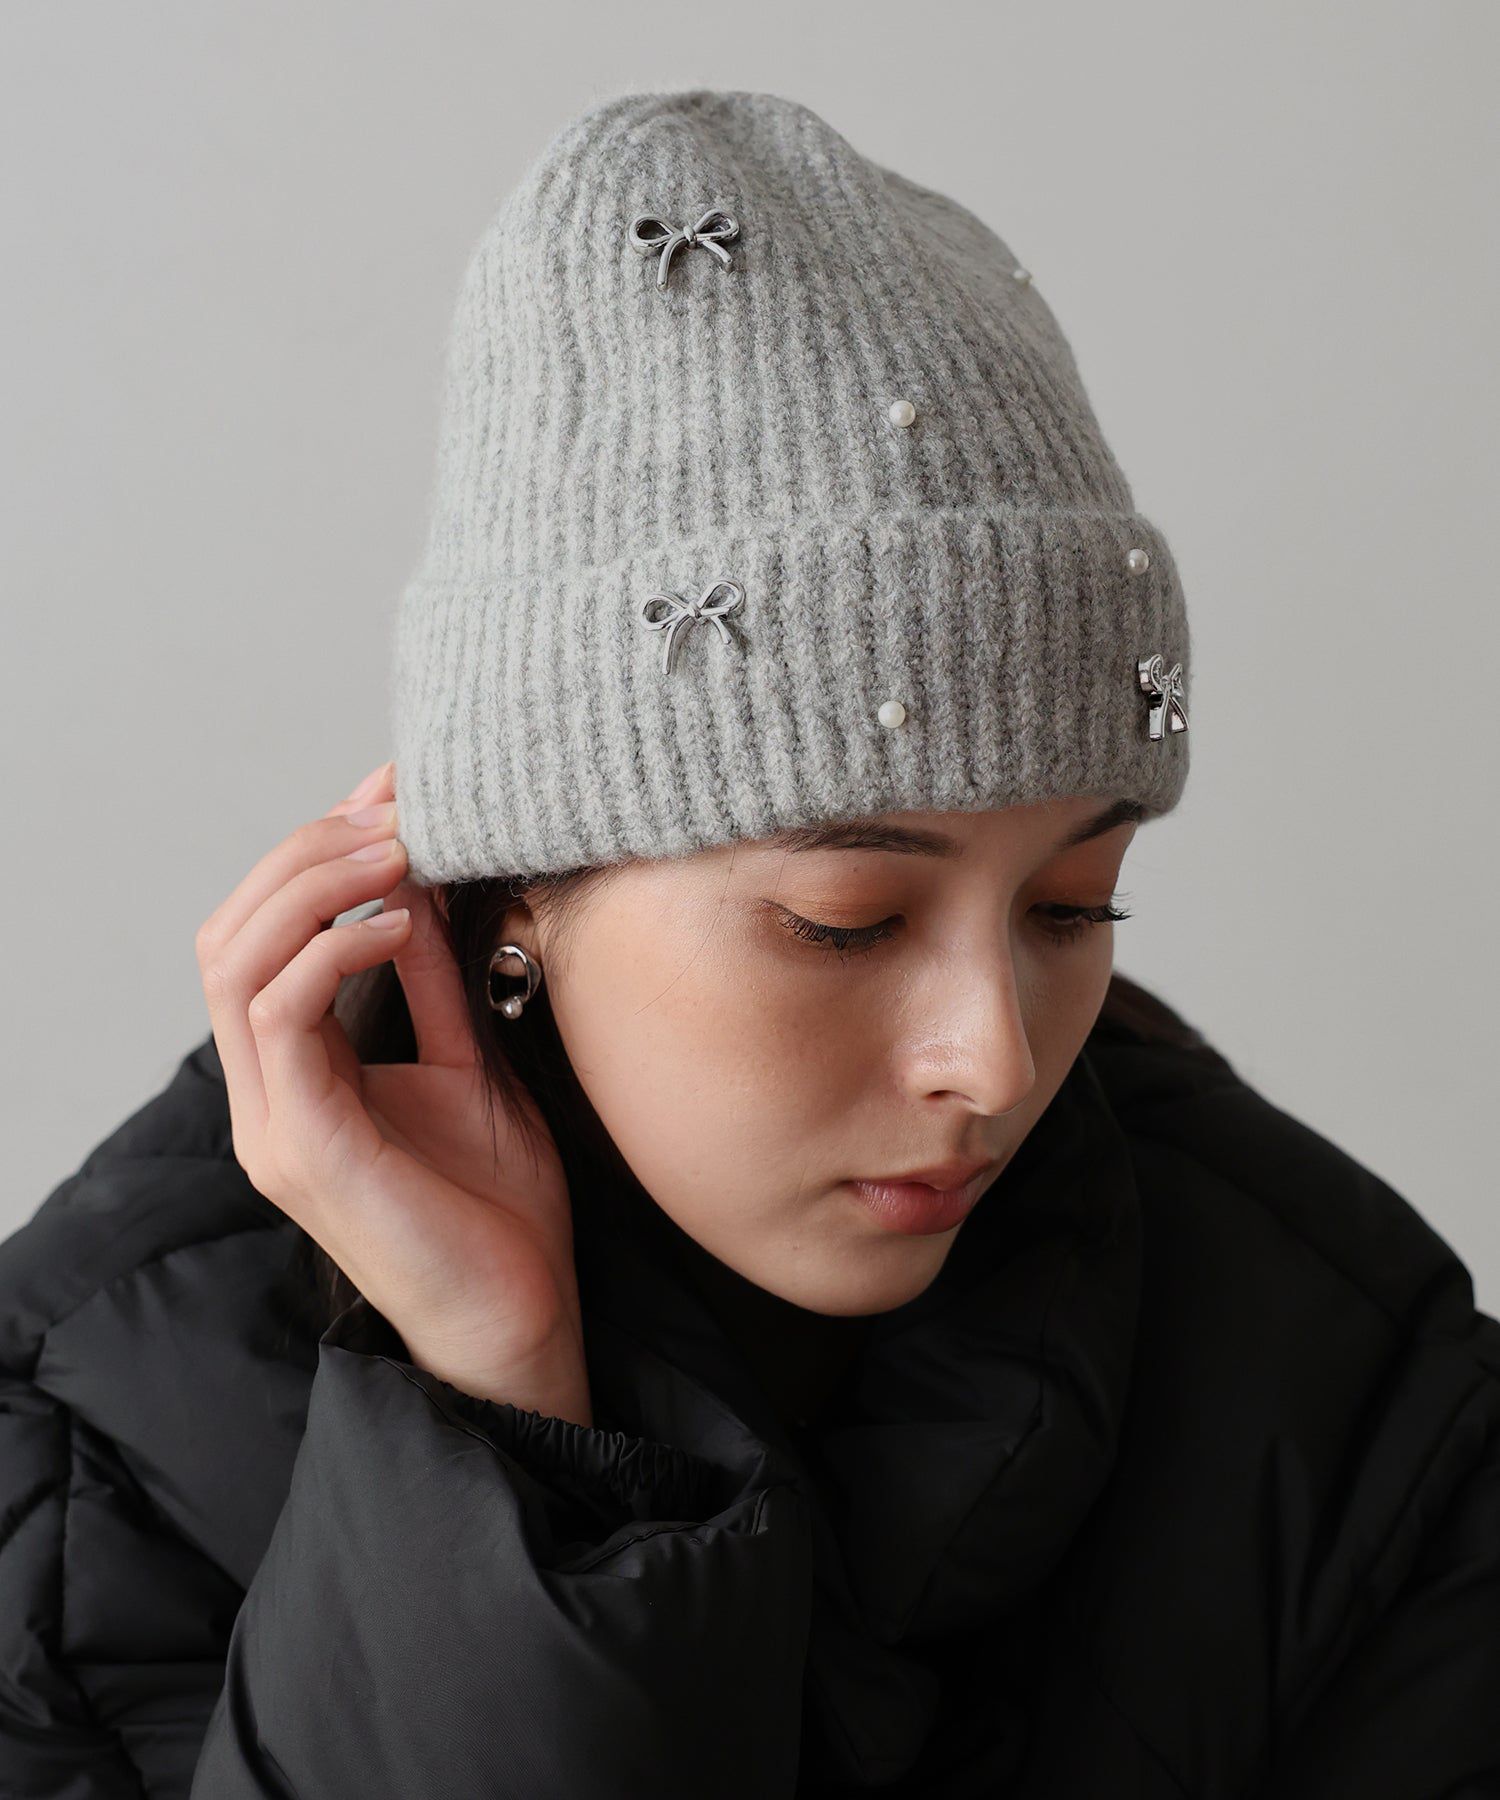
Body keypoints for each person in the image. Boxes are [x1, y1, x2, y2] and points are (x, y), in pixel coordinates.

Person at [1, 86, 1495, 1800]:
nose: (997, 1057)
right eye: (844, 921)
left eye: (1074, 905)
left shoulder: (1355, 1397)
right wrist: (505, 1421)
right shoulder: (88, 1453)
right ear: (514, 900)